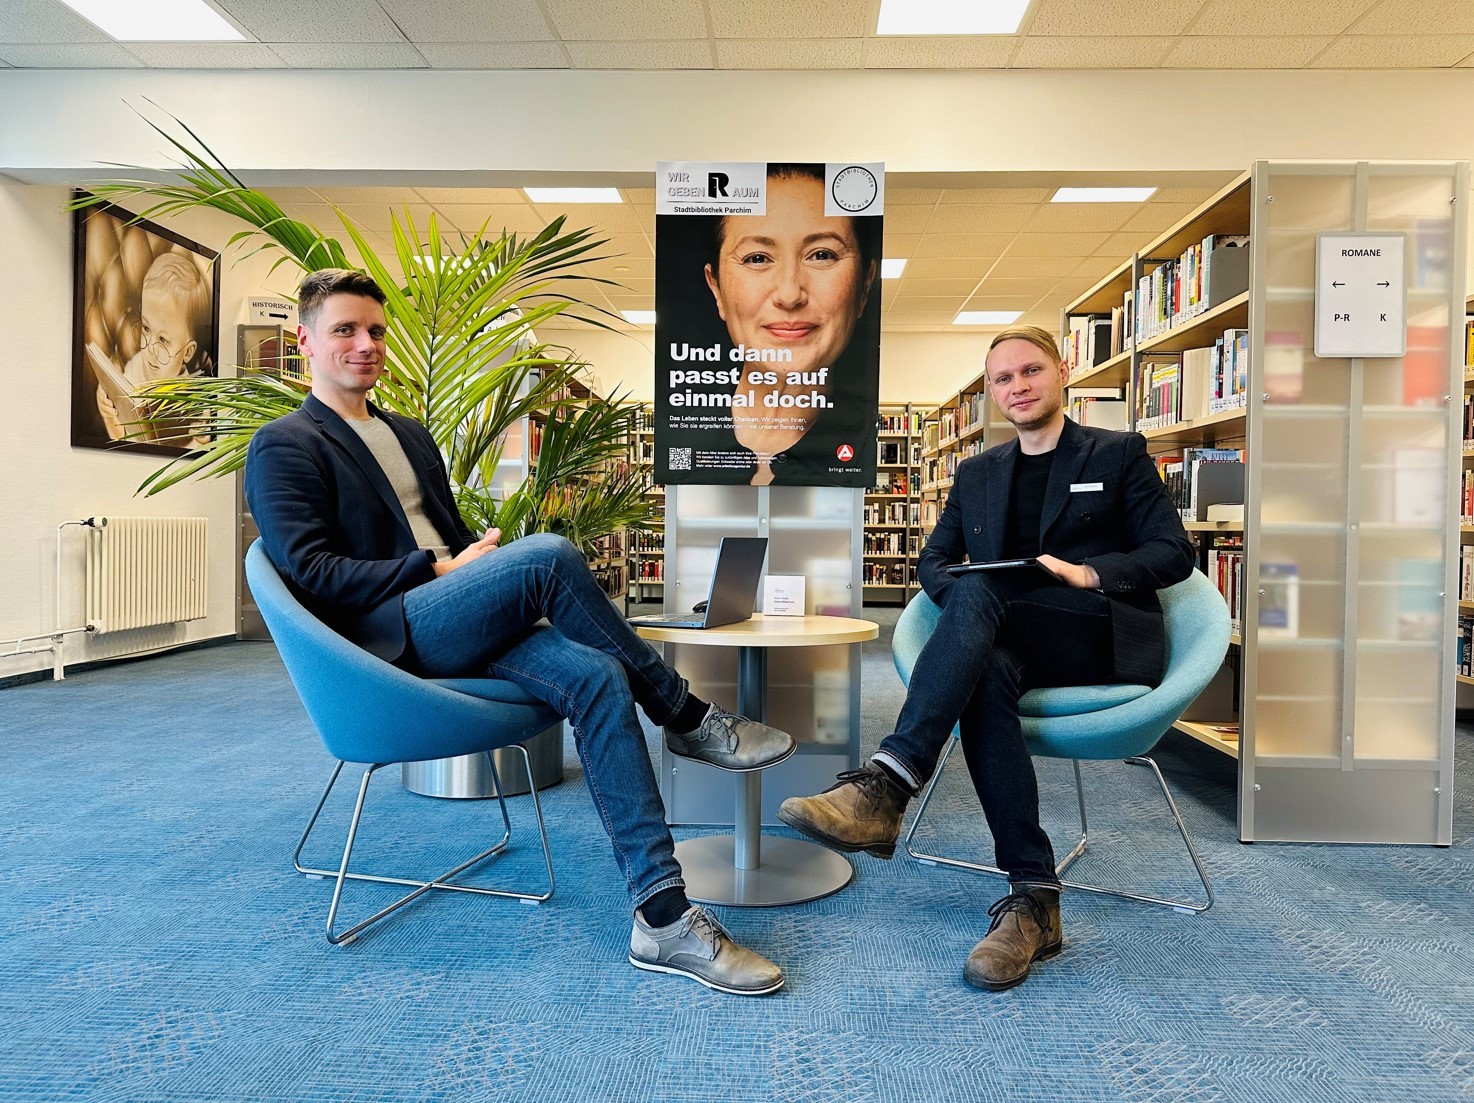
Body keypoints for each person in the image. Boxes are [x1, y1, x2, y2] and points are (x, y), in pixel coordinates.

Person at [245, 268, 798, 996]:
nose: (365, 344)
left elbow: (451, 534)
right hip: (390, 641)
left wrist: (483, 573)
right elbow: (312, 571)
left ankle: (662, 916)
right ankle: (686, 713)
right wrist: (443, 572)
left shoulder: (407, 434)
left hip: (453, 612)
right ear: (305, 340)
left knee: (597, 676)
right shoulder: (285, 444)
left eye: (376, 330)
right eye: (345, 330)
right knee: (549, 555)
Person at [778, 325, 1195, 991]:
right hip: (1009, 640)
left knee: (983, 597)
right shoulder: (977, 472)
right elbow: (933, 563)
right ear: (992, 392)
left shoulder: (1118, 454)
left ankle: (889, 783)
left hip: (1092, 633)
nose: (1018, 386)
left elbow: (1174, 552)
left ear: (1062, 372)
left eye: (1030, 371)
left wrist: (1089, 574)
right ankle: (1034, 898)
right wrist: (979, 598)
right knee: (984, 669)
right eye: (1003, 379)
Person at [702, 163, 880, 485]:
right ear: (717, 289)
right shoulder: (687, 440)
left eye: (821, 255)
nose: (789, 294)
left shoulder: (864, 447)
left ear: (865, 284)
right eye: (757, 258)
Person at [96, 252, 213, 441]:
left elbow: (203, 446)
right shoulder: (136, 368)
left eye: (163, 340)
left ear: (188, 352)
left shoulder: (193, 395)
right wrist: (109, 415)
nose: (150, 347)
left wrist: (203, 436)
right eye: (146, 328)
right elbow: (120, 438)